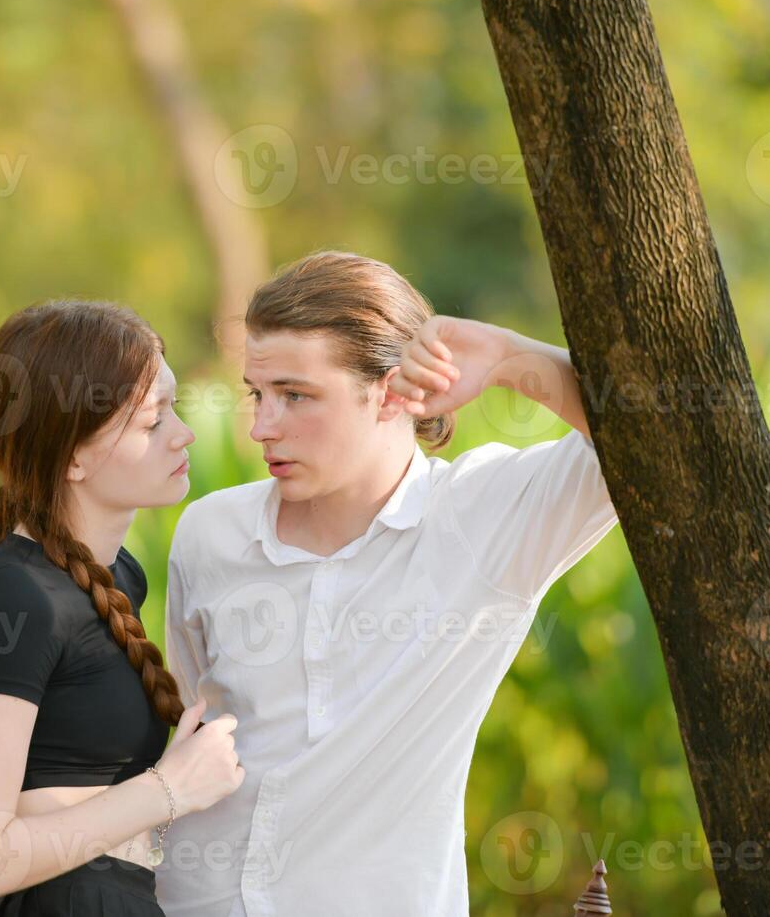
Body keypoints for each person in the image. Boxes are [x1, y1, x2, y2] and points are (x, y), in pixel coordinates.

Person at [156, 251, 620, 916]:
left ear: (393, 393)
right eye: (259, 394)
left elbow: (660, 438)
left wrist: (510, 355)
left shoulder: (482, 521)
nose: (261, 427)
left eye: (296, 395)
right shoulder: (209, 534)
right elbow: (189, 730)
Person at [0, 300, 245, 915]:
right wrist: (170, 788)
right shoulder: (20, 598)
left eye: (173, 408)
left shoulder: (115, 575)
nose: (183, 433)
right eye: (153, 422)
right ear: (72, 455)